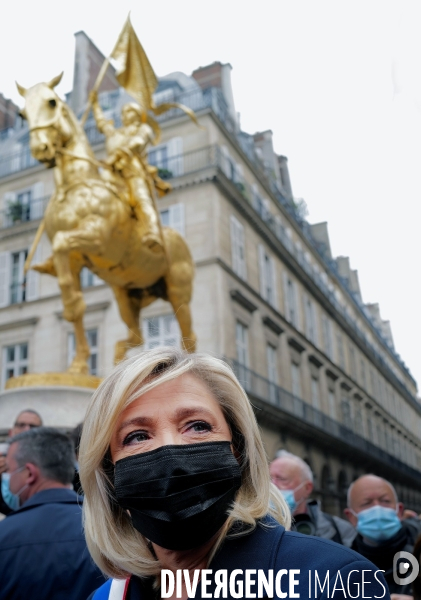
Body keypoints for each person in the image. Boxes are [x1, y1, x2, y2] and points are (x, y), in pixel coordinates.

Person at [79, 347, 389, 600]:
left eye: (197, 426)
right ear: (109, 474)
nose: (171, 452)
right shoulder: (107, 597)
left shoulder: (334, 579)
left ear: (237, 450)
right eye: (136, 436)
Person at [0, 427, 104, 599]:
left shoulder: (4, 537)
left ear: (29, 473)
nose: (7, 479)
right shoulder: (108, 529)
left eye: (9, 471)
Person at [90, 91, 170, 253]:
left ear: (137, 114)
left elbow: (137, 143)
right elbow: (102, 124)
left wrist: (117, 156)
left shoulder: (143, 129)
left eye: (128, 111)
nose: (124, 115)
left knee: (141, 199)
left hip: (133, 172)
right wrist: (95, 105)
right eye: (123, 112)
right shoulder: (116, 133)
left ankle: (152, 231)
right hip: (113, 173)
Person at [344, 474, 421, 598]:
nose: (377, 508)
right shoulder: (343, 567)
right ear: (351, 516)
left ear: (399, 510)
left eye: (385, 501)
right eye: (366, 503)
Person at [270, 450, 356, 546]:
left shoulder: (340, 530)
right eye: (268, 479)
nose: (272, 486)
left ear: (307, 488)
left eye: (282, 479)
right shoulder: (255, 527)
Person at [0, 409, 43, 516]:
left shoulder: (52, 464)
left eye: (33, 426)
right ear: (11, 432)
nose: (27, 429)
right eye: (21, 425)